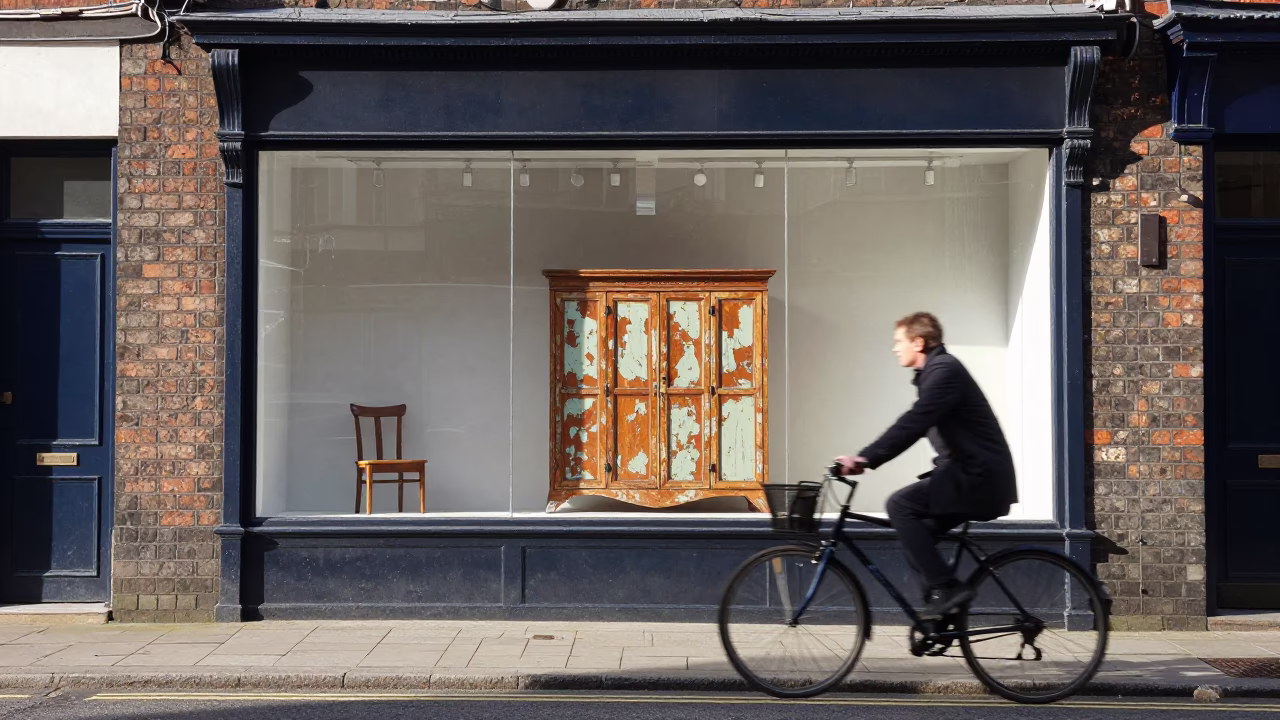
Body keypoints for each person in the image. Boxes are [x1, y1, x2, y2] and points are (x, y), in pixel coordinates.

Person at [836, 312, 1017, 619]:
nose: (895, 348)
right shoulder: (935, 373)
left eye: (899, 341)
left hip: (978, 478)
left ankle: (948, 590)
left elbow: (915, 421)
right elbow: (919, 424)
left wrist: (866, 458)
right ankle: (940, 612)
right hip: (967, 475)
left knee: (900, 505)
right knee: (915, 533)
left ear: (918, 342)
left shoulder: (945, 371)